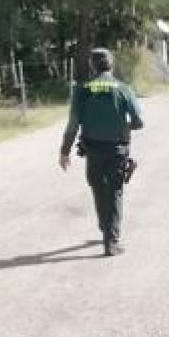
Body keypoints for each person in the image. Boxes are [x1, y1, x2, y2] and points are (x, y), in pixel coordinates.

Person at [58, 48, 144, 256]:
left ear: (91, 66)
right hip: (117, 150)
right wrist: (122, 126)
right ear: (112, 65)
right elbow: (138, 122)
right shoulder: (124, 89)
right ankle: (111, 241)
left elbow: (73, 125)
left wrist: (64, 151)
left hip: (92, 150)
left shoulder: (82, 89)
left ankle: (105, 229)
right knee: (114, 192)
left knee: (98, 190)